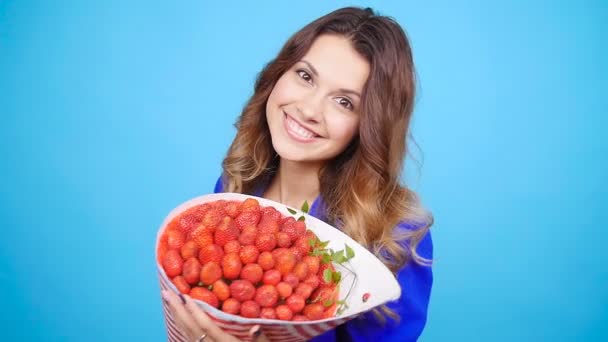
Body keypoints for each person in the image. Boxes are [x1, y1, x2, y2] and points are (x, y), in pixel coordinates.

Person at [162, 6, 434, 342]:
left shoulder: (395, 235)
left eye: (344, 102)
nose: (308, 110)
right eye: (305, 76)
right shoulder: (238, 187)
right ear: (279, 74)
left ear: (369, 126)